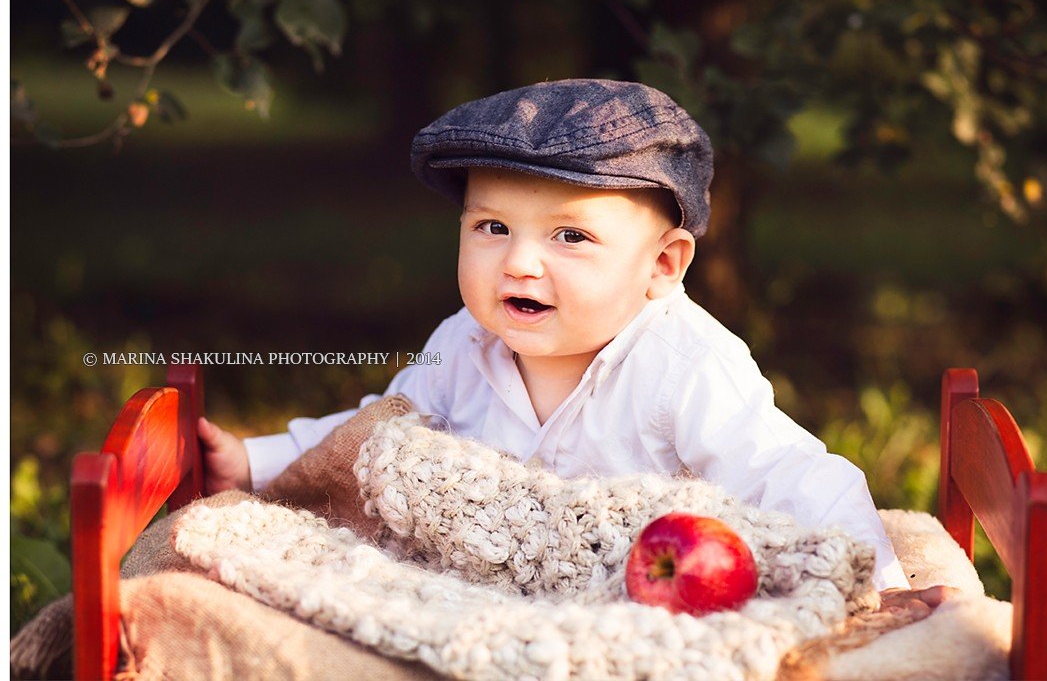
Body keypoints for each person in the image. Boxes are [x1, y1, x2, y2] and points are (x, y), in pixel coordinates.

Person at [199, 79, 943, 607]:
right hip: (495, 587)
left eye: (571, 236)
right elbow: (373, 433)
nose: (519, 262)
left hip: (642, 595)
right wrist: (256, 460)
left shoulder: (685, 366)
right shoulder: (464, 343)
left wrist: (876, 588)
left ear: (662, 266)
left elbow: (792, 475)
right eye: (492, 227)